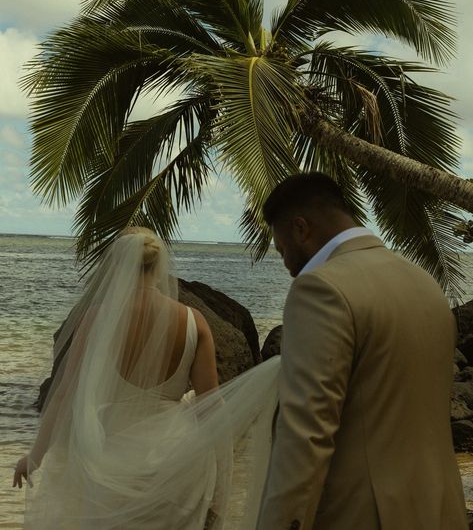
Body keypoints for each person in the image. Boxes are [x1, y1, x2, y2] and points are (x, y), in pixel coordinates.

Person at [13, 227, 280, 529]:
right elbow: (212, 407)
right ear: (158, 266)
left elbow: (64, 394)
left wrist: (34, 457)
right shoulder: (194, 321)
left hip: (108, 460)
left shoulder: (98, 318)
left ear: (119, 264)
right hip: (175, 461)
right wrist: (219, 486)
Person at [256, 172, 468, 530]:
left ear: (300, 229)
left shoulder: (321, 290)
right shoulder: (424, 283)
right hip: (440, 509)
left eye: (282, 251)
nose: (288, 266)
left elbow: (306, 435)